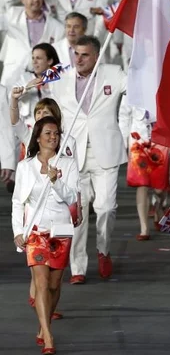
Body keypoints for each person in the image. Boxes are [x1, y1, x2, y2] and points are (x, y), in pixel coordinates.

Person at [51, 35, 127, 283]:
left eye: (85, 55)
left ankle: (103, 250)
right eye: (76, 54)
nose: (79, 59)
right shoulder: (61, 77)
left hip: (105, 151)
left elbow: (138, 85)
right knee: (78, 213)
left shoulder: (114, 73)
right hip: (74, 155)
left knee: (106, 208)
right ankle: (78, 267)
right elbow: (52, 110)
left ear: (97, 56)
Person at [12, 116, 80, 355]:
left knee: (54, 284)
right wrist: (18, 232)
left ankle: (44, 325)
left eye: (56, 134)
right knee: (40, 283)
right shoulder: (25, 166)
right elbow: (18, 202)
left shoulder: (68, 164)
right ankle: (48, 334)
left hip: (61, 230)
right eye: (48, 133)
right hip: (36, 231)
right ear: (38, 138)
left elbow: (72, 197)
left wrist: (56, 181)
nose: (53, 137)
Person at [119, 94, 170, 239]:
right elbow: (124, 116)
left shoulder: (162, 84)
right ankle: (144, 227)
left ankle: (159, 206)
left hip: (160, 139)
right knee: (142, 184)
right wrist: (122, 142)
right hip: (138, 139)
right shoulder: (131, 86)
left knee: (159, 188)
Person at [0, 0, 64, 89]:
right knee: (6, 102)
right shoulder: (12, 15)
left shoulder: (56, 27)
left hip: (41, 78)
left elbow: (59, 58)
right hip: (13, 70)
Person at [12, 43, 60, 128]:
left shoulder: (61, 80)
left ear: (50, 61)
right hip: (30, 126)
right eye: (33, 58)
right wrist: (28, 86)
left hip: (54, 126)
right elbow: (12, 96)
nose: (34, 62)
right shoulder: (25, 78)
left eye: (38, 58)